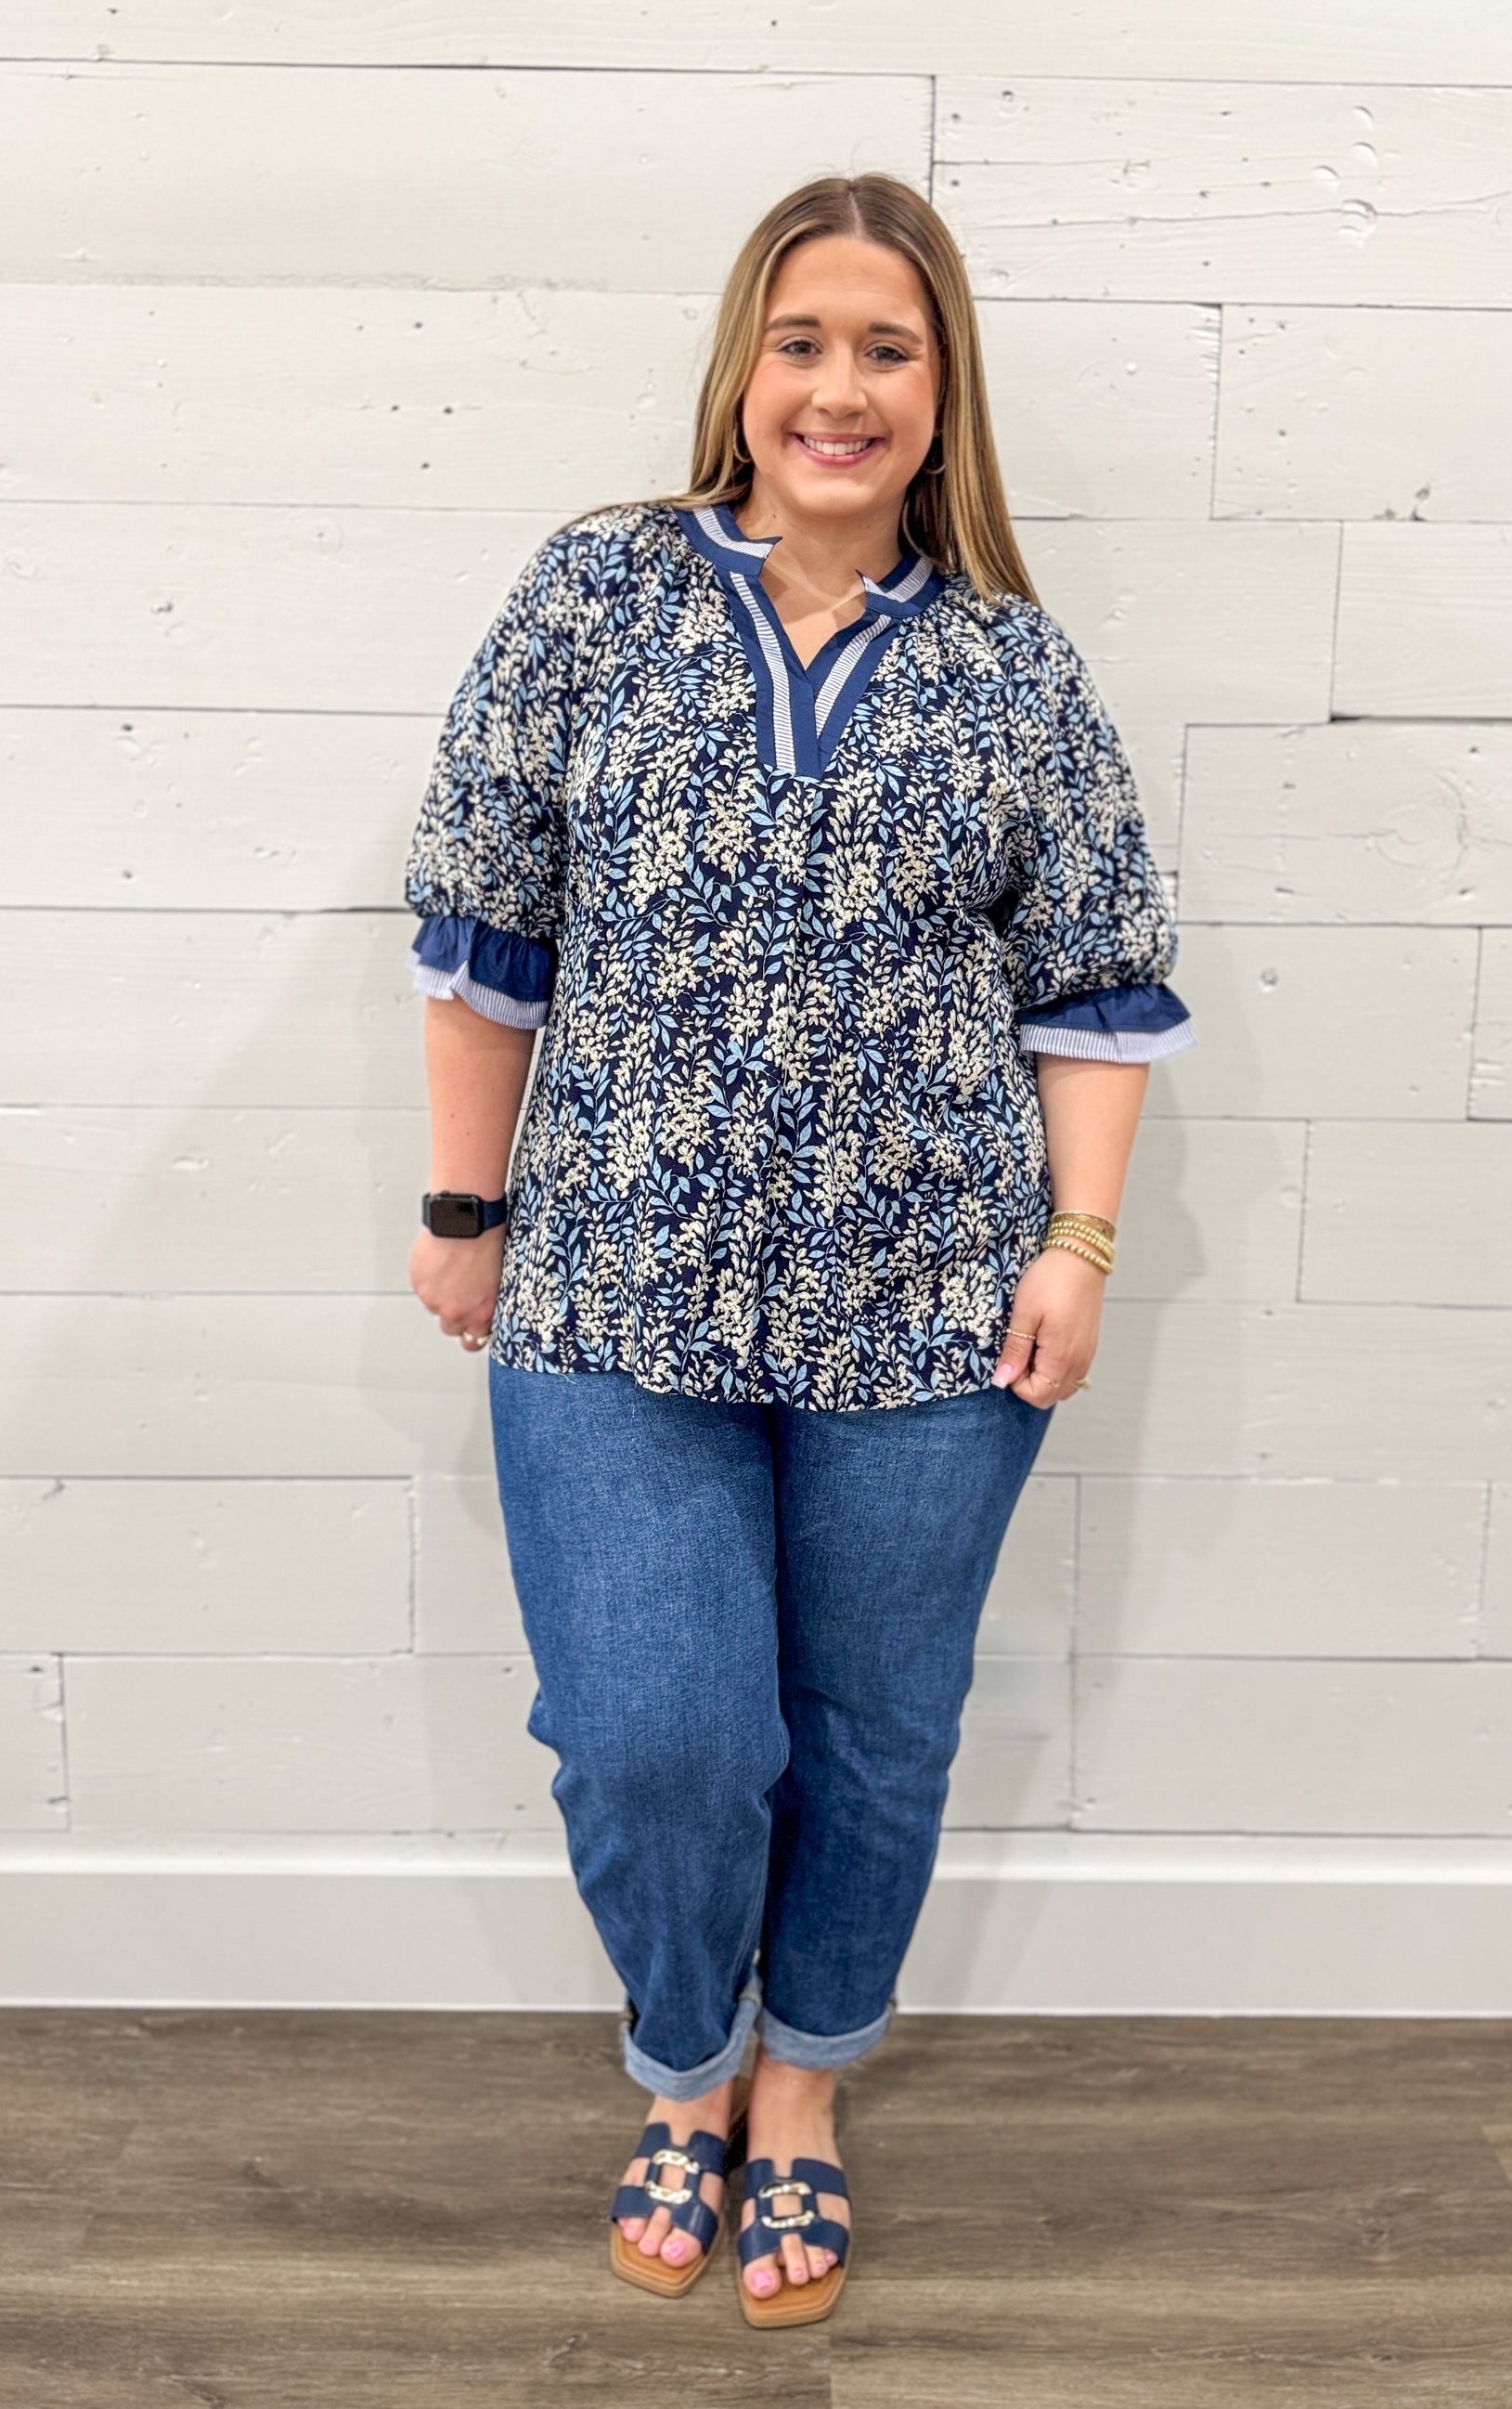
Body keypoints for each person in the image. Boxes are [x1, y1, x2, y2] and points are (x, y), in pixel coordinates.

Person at [403, 171, 1195, 2329]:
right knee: (654, 1732)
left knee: (872, 1732)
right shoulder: (596, 594)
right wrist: (467, 1208)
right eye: (801, 339)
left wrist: (1081, 1242)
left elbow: (1098, 985)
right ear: (742, 368)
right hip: (607, 1284)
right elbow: (486, 936)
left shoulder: (1016, 670)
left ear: (945, 399)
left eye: (887, 348)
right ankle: (682, 2057)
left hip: (934, 1306)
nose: (837, 387)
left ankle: (802, 2088)